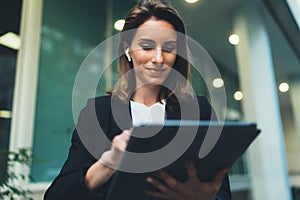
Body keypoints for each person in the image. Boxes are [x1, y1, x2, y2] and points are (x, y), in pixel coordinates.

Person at [44, 0, 231, 199]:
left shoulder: (199, 111)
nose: (159, 58)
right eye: (147, 46)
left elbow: (222, 193)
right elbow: (57, 195)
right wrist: (109, 162)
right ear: (127, 49)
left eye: (168, 48)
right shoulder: (98, 113)